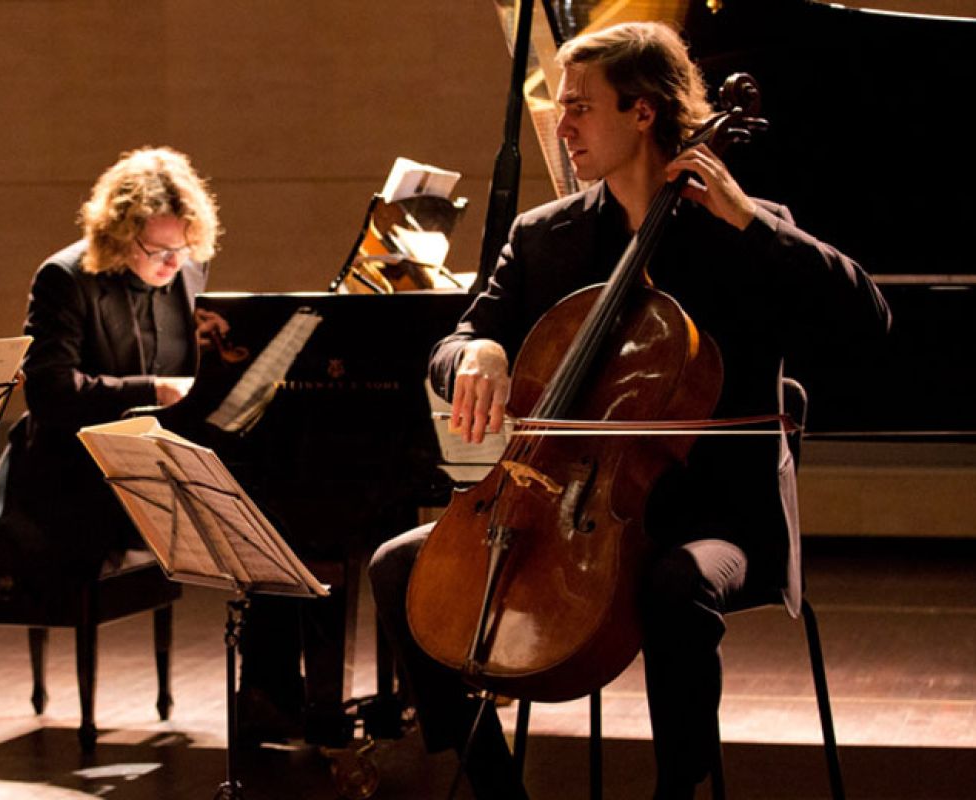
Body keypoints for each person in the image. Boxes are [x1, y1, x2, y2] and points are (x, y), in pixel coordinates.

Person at [368, 21, 890, 799]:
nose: (563, 126)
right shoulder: (545, 238)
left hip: (715, 520)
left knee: (672, 584)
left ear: (642, 111)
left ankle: (678, 787)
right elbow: (462, 336)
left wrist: (751, 224)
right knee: (397, 566)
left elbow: (866, 317)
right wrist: (474, 352)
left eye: (579, 106)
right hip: (561, 512)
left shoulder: (741, 227)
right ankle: (489, 785)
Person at [0, 146, 221, 588]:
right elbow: (49, 390)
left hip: (150, 465)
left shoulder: (188, 266)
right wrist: (155, 390)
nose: (174, 263)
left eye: (182, 247)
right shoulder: (65, 278)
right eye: (158, 250)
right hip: (71, 473)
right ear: (121, 234)